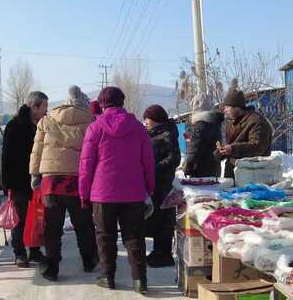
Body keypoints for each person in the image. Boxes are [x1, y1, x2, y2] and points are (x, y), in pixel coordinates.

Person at [79, 86, 155, 295]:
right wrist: (149, 187)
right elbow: (148, 161)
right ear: (122, 102)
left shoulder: (95, 128)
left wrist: (84, 194)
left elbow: (86, 165)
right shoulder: (138, 128)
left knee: (105, 236)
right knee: (134, 237)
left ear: (102, 104)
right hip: (133, 192)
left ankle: (108, 276)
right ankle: (140, 280)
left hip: (102, 193)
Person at [29, 86, 98, 281]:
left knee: (52, 227)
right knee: (83, 224)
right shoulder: (89, 121)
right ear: (82, 103)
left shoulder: (47, 119)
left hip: (51, 181)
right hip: (77, 181)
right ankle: (88, 259)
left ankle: (52, 267)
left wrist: (35, 175)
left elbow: (37, 150)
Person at [2, 91, 48, 267]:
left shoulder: (41, 125)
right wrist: (7, 184)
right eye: (44, 107)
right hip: (19, 181)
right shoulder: (15, 126)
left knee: (37, 218)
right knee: (19, 219)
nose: (46, 111)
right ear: (34, 106)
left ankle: (35, 251)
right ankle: (19, 253)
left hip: (37, 181)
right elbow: (6, 156)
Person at [142, 105, 181, 268]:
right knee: (157, 219)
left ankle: (164, 255)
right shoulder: (154, 134)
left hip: (163, 184)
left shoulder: (166, 134)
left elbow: (174, 159)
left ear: (156, 120)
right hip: (156, 183)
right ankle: (158, 252)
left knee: (164, 219)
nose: (145, 122)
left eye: (147, 119)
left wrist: (154, 167)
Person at [216, 89, 273, 178]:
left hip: (252, 176)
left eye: (227, 107)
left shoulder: (257, 121)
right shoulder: (233, 123)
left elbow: (258, 147)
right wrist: (223, 152)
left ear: (236, 107)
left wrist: (232, 148)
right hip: (235, 175)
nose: (225, 110)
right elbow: (234, 148)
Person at [184, 109, 224, 177]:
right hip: (214, 168)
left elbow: (195, 148)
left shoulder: (201, 125)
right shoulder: (214, 124)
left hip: (201, 169)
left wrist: (188, 165)